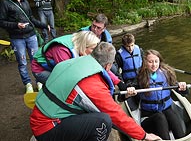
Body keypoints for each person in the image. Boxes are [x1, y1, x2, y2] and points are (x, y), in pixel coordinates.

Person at [29, 42, 161, 141]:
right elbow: (116, 116)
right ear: (108, 65)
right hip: (47, 128)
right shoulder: (91, 84)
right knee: (104, 121)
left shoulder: (74, 62)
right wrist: (144, 135)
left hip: (41, 116)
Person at [0, 0, 50, 94]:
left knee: (35, 59)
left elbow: (31, 18)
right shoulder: (5, 3)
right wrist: (16, 25)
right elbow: (1, 21)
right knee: (22, 62)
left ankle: (39, 81)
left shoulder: (24, 0)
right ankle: (27, 84)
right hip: (17, 38)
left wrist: (44, 25)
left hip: (31, 35)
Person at [137, 49, 188, 140]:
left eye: (156, 61)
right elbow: (124, 95)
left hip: (165, 109)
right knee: (160, 117)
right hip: (149, 116)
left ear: (159, 61)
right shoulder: (139, 76)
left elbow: (182, 92)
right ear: (145, 62)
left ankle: (181, 138)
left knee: (172, 116)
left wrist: (183, 88)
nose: (154, 65)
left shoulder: (166, 73)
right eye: (150, 62)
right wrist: (130, 90)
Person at [31, 30, 100, 86]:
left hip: (53, 67)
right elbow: (66, 74)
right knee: (64, 85)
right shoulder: (62, 50)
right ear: (84, 46)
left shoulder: (78, 41)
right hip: (40, 69)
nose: (94, 51)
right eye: (92, 49)